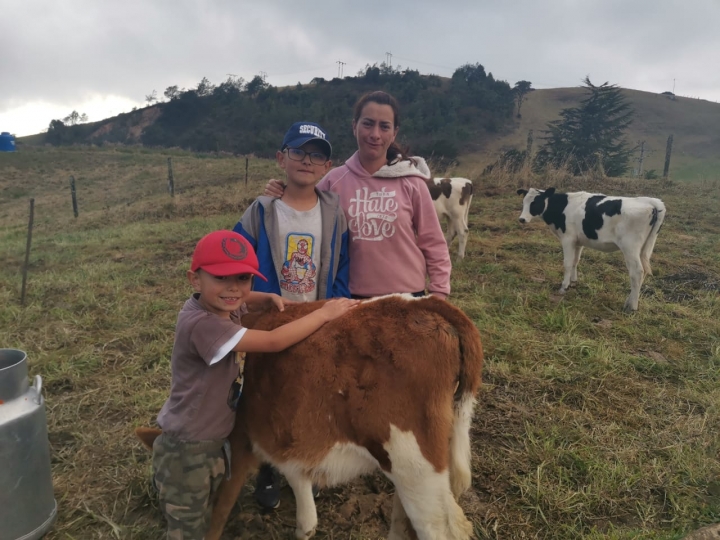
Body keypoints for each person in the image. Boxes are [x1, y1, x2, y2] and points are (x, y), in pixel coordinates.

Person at [152, 229, 358, 539]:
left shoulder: (218, 305)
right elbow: (274, 341)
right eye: (221, 278)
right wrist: (322, 314)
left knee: (209, 500)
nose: (233, 289)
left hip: (212, 436)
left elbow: (243, 301)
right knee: (186, 524)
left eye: (243, 279)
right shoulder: (203, 326)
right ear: (194, 279)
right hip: (189, 446)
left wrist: (268, 297)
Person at [233, 121, 350, 509]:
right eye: (297, 152)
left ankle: (307, 465)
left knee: (309, 391)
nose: (306, 161)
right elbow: (237, 257)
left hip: (317, 320)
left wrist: (334, 308)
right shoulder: (263, 209)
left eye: (316, 155)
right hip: (272, 323)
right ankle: (269, 467)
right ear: (280, 158)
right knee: (268, 391)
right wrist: (246, 301)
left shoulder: (334, 212)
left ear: (326, 165)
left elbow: (342, 267)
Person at [265, 90, 451, 300]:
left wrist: (439, 292)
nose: (375, 134)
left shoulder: (412, 182)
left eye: (384, 126)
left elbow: (433, 242)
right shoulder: (332, 181)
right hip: (349, 299)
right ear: (354, 126)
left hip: (407, 299)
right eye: (368, 123)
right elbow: (303, 209)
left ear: (394, 133)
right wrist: (280, 190)